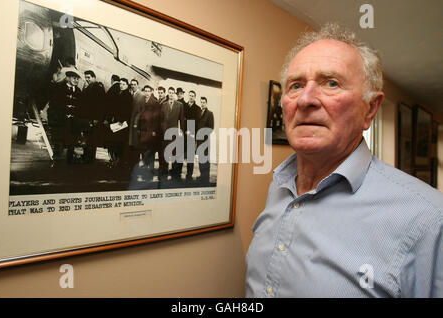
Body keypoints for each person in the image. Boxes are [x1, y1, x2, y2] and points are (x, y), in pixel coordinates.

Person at [246, 23, 442, 298]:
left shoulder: (429, 219)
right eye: (296, 85)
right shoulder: (279, 186)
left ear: (370, 109)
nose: (306, 99)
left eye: (331, 83)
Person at [47, 67, 82, 161]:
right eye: (74, 78)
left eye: (77, 79)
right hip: (61, 120)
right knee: (59, 140)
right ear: (68, 78)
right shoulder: (59, 88)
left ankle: (70, 159)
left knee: (72, 140)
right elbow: (53, 104)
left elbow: (80, 106)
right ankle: (56, 158)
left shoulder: (78, 91)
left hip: (73, 122)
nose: (76, 80)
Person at [174, 90, 202, 182]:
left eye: (193, 96)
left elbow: (197, 123)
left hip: (191, 136)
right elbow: (181, 119)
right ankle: (178, 174)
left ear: (195, 97)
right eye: (190, 95)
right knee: (180, 156)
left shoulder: (198, 109)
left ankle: (189, 175)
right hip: (182, 135)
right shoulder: (184, 106)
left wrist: (190, 132)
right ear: (188, 96)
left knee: (190, 157)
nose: (191, 97)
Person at [80, 70, 106, 162]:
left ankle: (89, 157)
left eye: (89, 77)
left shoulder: (98, 88)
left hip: (94, 118)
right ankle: (86, 155)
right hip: (88, 117)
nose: (87, 79)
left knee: (92, 138)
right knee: (87, 137)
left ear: (94, 77)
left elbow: (100, 105)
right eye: (86, 77)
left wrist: (97, 118)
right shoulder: (89, 87)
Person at [160, 87, 184, 182]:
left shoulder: (179, 105)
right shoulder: (164, 105)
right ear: (168, 94)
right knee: (165, 152)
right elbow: (161, 120)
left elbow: (181, 120)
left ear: (174, 94)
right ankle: (164, 171)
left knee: (174, 153)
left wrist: (181, 132)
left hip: (174, 133)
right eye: (169, 92)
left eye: (172, 93)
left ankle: (174, 173)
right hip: (165, 133)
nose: (170, 94)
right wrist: (163, 129)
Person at [196, 96, 214, 186]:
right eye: (201, 102)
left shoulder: (210, 113)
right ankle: (202, 175)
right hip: (199, 140)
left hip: (206, 141)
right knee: (200, 159)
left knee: (206, 159)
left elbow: (211, 127)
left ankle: (205, 178)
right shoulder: (199, 113)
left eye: (204, 102)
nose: (202, 104)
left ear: (206, 103)